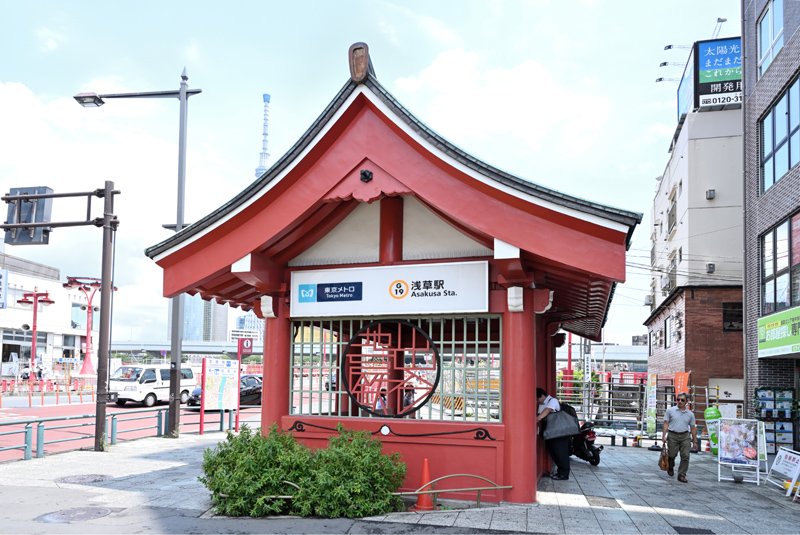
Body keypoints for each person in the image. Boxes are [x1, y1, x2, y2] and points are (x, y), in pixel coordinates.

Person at [662, 392, 698, 483]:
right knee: (672, 455)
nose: (680, 402)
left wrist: (695, 441)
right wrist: (664, 436)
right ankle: (670, 466)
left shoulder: (690, 414)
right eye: (678, 400)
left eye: (682, 400)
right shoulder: (670, 411)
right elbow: (666, 423)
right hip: (672, 435)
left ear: (687, 402)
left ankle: (682, 474)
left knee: (685, 455)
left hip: (685, 435)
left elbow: (693, 428)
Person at [536, 387, 570, 480]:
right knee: (554, 452)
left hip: (559, 432)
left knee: (561, 452)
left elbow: (548, 410)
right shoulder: (541, 404)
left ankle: (564, 474)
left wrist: (537, 418)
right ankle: (560, 472)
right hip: (550, 432)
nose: (537, 401)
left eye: (537, 399)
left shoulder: (553, 400)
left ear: (542, 396)